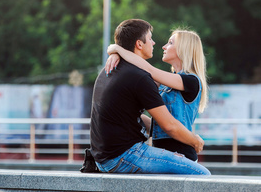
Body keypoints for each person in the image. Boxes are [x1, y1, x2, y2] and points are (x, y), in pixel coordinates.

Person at [90, 19, 210, 175]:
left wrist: (117, 50)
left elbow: (148, 71)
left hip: (181, 151)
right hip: (161, 151)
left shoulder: (191, 81)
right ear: (140, 44)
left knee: (204, 176)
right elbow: (159, 122)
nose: (161, 45)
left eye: (170, 43)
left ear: (183, 49)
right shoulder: (164, 81)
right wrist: (116, 52)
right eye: (151, 39)